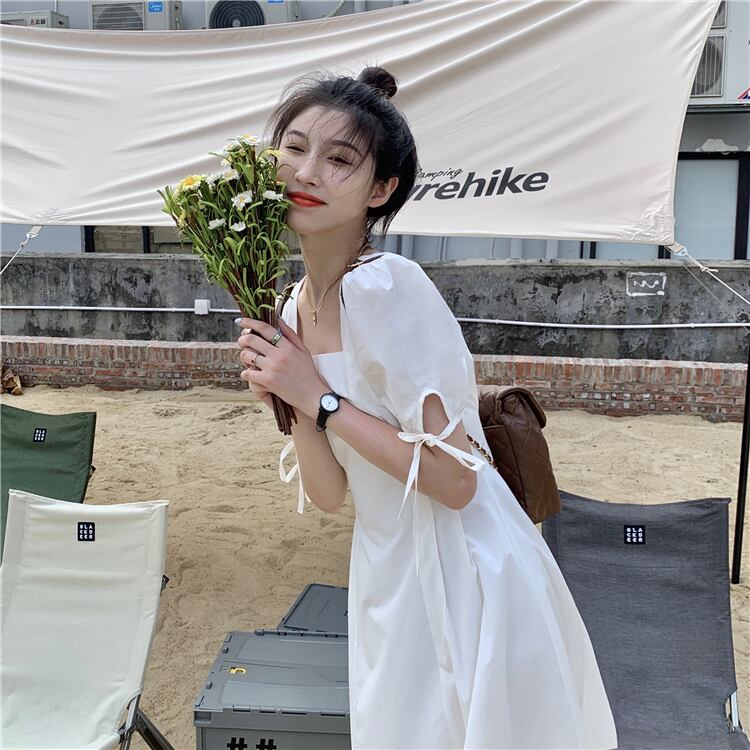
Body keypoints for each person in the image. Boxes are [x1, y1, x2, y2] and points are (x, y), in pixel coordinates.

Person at [236, 66, 619, 750]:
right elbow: (330, 495)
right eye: (293, 148)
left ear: (381, 190)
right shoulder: (292, 306)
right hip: (386, 567)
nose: (308, 171)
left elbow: (456, 479)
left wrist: (317, 397)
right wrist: (292, 400)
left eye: (340, 159)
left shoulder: (386, 287)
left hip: (462, 568)